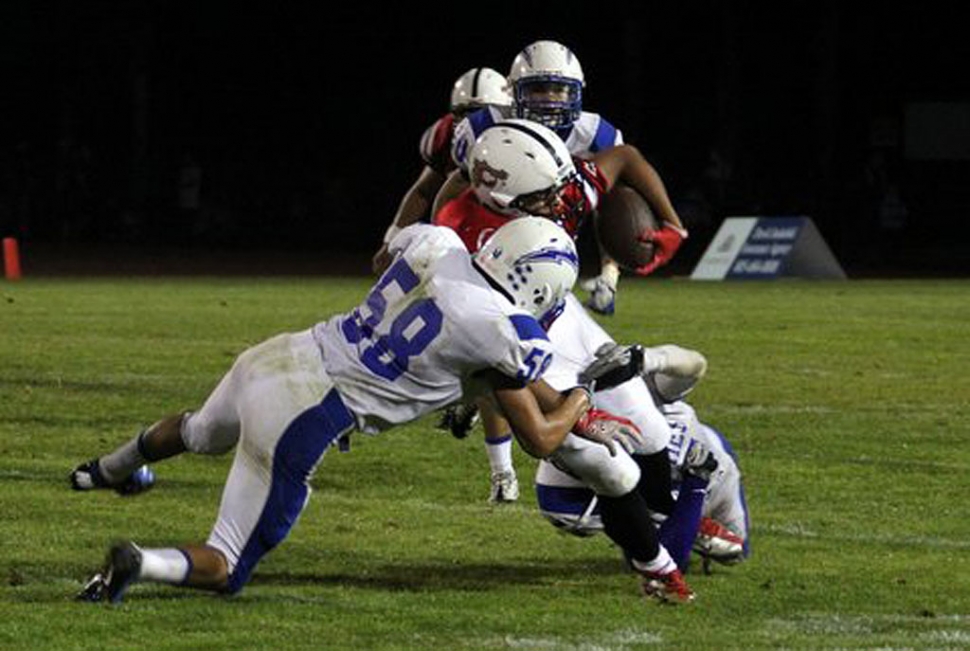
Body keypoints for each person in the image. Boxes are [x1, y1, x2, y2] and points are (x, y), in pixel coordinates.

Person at [70, 217, 651, 604]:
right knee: (228, 564)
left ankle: (103, 470)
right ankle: (140, 562)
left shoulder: (439, 244)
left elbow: (384, 257)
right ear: (538, 284)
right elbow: (543, 437)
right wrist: (582, 390)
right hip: (306, 410)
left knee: (199, 430)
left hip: (280, 354)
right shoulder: (503, 330)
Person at [433, 119, 704, 603]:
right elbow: (489, 345)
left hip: (568, 318)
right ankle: (656, 567)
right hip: (517, 338)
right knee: (610, 466)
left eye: (555, 192)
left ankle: (668, 516)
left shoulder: (550, 185)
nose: (557, 205)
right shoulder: (458, 234)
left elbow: (623, 158)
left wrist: (671, 225)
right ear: (497, 195)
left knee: (652, 435)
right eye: (541, 199)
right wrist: (575, 406)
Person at [446, 39, 688, 316]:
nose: (550, 99)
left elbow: (618, 178)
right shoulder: (482, 126)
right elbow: (457, 183)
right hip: (495, 226)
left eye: (559, 89)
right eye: (538, 89)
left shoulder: (592, 143)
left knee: (613, 195)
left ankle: (597, 285)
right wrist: (440, 236)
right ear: (513, 92)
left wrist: (611, 272)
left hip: (559, 218)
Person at [536, 356, 750, 573]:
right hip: (584, 493)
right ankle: (676, 522)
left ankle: (679, 521)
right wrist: (696, 482)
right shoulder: (575, 481)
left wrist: (651, 358)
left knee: (736, 549)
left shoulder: (643, 389)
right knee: (650, 547)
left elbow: (694, 365)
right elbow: (668, 562)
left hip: (714, 469)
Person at [371, 67, 512, 274]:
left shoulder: (518, 140)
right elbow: (424, 192)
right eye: (463, 114)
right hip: (463, 226)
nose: (471, 122)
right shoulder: (444, 137)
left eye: (482, 114)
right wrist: (391, 241)